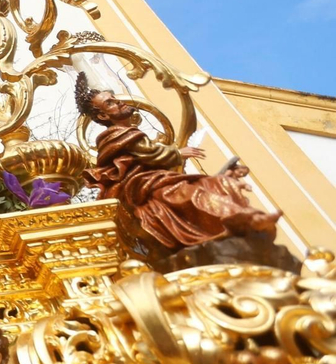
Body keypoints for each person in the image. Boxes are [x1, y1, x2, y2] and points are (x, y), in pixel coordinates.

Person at [76, 74, 281, 251]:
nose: (119, 101)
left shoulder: (130, 133)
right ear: (103, 115)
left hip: (155, 179)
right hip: (143, 186)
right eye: (110, 103)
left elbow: (150, 154)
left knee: (209, 185)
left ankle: (244, 218)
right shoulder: (116, 135)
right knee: (189, 192)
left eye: (114, 98)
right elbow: (149, 152)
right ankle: (237, 220)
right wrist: (178, 153)